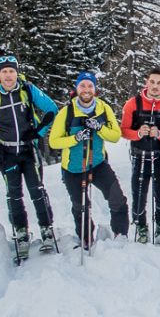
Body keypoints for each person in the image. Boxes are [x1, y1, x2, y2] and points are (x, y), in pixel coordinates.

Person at [0, 55, 59, 253]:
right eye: (4, 72)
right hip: (7, 151)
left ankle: (46, 228)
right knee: (14, 194)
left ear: (17, 73)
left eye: (11, 71)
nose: (8, 75)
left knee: (37, 189)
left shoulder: (27, 90)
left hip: (28, 149)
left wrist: (38, 132)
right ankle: (21, 231)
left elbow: (52, 109)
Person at [49, 72, 129, 248]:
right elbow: (54, 141)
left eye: (90, 86)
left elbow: (115, 136)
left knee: (117, 199)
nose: (86, 90)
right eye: (83, 86)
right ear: (77, 88)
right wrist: (75, 138)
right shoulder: (67, 111)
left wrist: (99, 127)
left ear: (95, 89)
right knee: (81, 207)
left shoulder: (103, 108)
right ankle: (86, 237)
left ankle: (121, 235)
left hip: (97, 164)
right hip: (73, 168)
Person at [120, 68, 160, 244]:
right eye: (152, 82)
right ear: (146, 82)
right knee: (139, 194)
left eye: (159, 83)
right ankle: (141, 226)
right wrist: (137, 133)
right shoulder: (133, 103)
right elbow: (123, 130)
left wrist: (159, 134)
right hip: (139, 155)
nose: (155, 86)